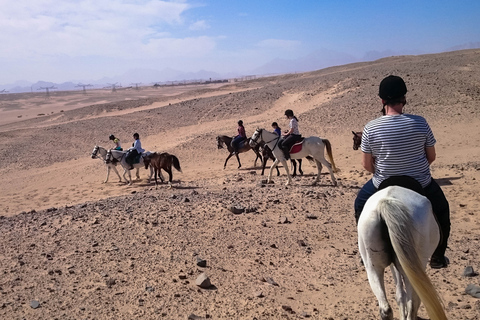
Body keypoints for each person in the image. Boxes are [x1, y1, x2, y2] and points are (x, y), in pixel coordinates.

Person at [354, 75, 450, 269]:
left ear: (382, 101)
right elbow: (431, 156)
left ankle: (365, 252)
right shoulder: (420, 122)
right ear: (404, 98)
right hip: (420, 182)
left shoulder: (370, 128)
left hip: (382, 182)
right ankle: (439, 255)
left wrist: (382, 171)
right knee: (442, 211)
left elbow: (366, 165)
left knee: (359, 205)